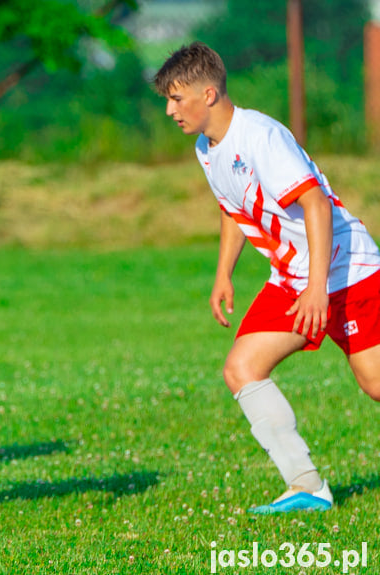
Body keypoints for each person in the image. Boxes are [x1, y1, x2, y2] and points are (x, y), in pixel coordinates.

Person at [154, 42, 380, 514]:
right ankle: (307, 487)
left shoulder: (261, 136)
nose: (170, 110)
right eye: (168, 100)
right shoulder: (207, 147)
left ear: (209, 94)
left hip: (348, 271)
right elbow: (234, 208)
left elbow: (315, 203)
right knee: (242, 368)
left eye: (177, 99)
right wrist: (223, 275)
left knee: (375, 383)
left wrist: (318, 287)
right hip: (294, 276)